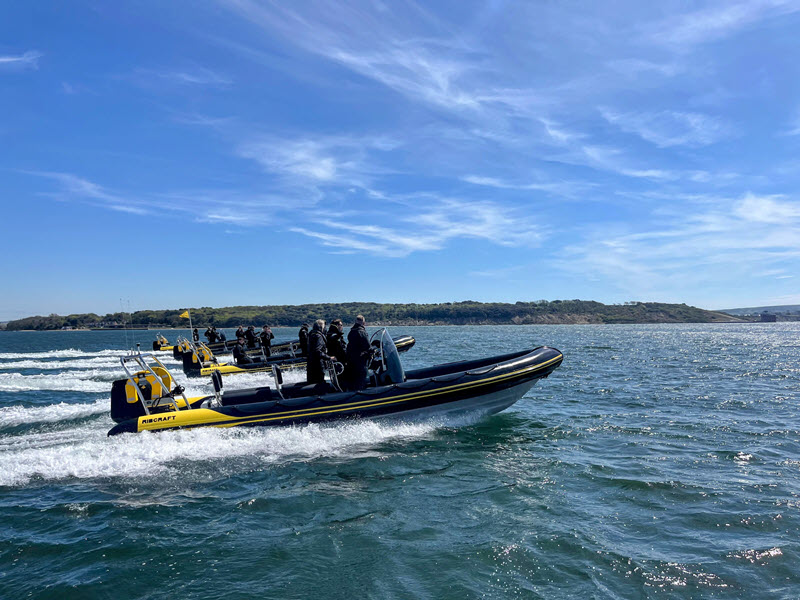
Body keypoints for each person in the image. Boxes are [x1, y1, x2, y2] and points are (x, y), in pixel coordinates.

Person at [346, 315, 371, 390]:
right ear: (363, 322)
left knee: (354, 379)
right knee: (361, 379)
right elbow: (368, 346)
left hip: (351, 360)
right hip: (360, 360)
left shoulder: (351, 331)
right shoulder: (361, 332)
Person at [306, 319, 332, 385]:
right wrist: (329, 357)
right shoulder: (319, 336)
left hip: (310, 363)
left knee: (311, 381)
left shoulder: (311, 334)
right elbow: (318, 351)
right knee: (319, 382)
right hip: (318, 365)